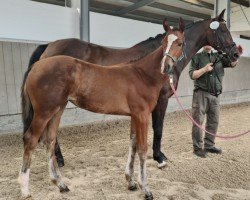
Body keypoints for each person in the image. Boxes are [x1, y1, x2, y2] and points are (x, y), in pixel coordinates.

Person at [189, 45, 241, 158]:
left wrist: (237, 56)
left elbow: (232, 64)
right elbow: (192, 75)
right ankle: (197, 148)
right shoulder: (197, 57)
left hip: (216, 95)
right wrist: (204, 69)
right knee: (198, 121)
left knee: (214, 121)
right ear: (203, 44)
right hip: (201, 94)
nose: (208, 44)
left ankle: (209, 145)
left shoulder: (219, 56)